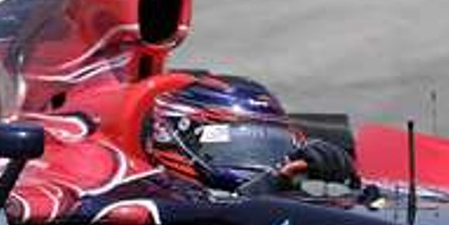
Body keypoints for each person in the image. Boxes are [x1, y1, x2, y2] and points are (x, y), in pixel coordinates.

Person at [148, 75, 357, 194]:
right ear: (170, 135)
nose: (259, 159)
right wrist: (272, 181)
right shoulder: (157, 195)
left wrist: (337, 165)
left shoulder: (283, 186)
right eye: (237, 145)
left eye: (272, 146)